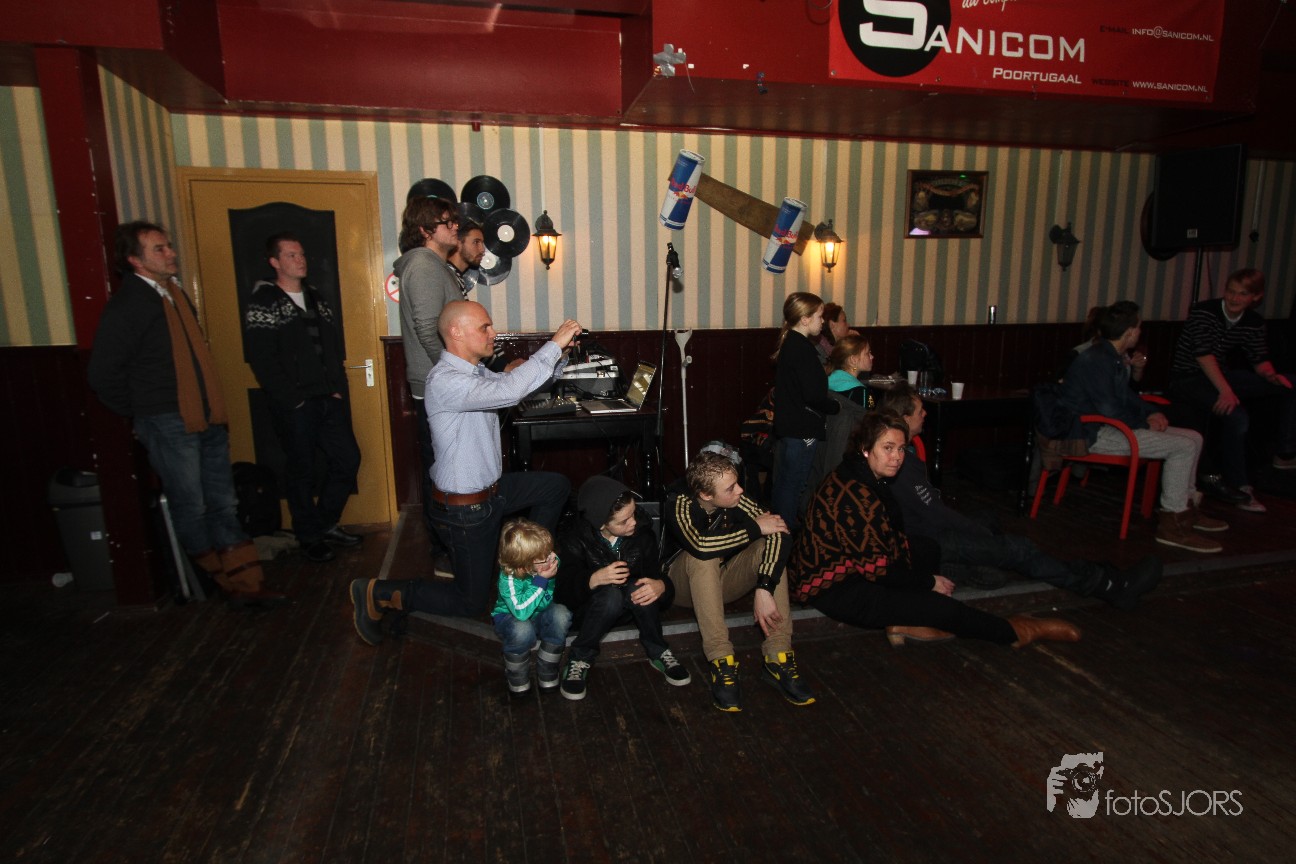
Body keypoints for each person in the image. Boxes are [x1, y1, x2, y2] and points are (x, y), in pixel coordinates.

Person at [350, 301, 580, 644]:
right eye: (484, 327)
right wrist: (553, 344)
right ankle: (378, 592)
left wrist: (559, 358)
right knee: (469, 602)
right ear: (456, 332)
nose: (493, 333)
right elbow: (510, 390)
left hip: (492, 492)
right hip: (465, 509)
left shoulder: (475, 373)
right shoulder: (446, 380)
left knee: (554, 486)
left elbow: (518, 386)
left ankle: (530, 559)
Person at [87, 221, 286, 607]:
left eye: (169, 246)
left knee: (223, 502)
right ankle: (217, 582)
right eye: (159, 249)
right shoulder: (129, 305)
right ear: (135, 260)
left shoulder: (174, 295)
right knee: (191, 506)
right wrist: (143, 413)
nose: (171, 253)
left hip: (206, 415)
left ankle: (247, 585)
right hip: (167, 421)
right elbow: (102, 375)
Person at [787, 411, 1082, 648]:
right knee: (944, 609)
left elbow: (886, 543)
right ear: (865, 449)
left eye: (901, 449)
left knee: (928, 548)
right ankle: (1016, 631)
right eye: (887, 448)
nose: (897, 457)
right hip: (834, 587)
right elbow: (879, 570)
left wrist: (922, 578)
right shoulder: (856, 495)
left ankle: (909, 620)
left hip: (857, 567)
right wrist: (928, 582)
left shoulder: (860, 473)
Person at [880, 383, 1162, 608]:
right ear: (904, 419)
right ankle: (1111, 586)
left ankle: (964, 568)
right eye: (920, 411)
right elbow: (936, 514)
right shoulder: (898, 462)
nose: (925, 414)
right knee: (1019, 548)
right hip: (928, 540)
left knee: (989, 520)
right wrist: (980, 534)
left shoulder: (905, 451)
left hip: (927, 531)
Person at [1061, 301, 1228, 553]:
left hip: (1108, 426)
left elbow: (1127, 397)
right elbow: (1109, 409)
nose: (1140, 331)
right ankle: (1171, 523)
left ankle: (1186, 509)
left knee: (1194, 437)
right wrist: (1144, 422)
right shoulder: (1097, 360)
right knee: (1182, 446)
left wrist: (1152, 412)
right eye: (1138, 327)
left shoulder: (1112, 356)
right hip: (1091, 434)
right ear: (1129, 332)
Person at [663, 451, 815, 712]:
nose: (740, 490)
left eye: (737, 483)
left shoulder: (736, 498)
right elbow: (699, 545)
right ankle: (721, 660)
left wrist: (764, 587)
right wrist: (754, 528)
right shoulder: (679, 501)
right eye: (731, 488)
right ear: (706, 495)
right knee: (703, 557)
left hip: (722, 580)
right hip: (681, 585)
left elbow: (780, 531)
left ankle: (777, 656)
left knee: (770, 548)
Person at [243, 233, 362, 563]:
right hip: (295, 403)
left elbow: (331, 348)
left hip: (328, 398)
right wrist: (292, 398)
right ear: (275, 262)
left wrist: (337, 390)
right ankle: (308, 536)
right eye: (291, 255)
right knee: (301, 470)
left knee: (347, 459)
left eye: (302, 254)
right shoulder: (265, 300)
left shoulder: (316, 298)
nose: (300, 260)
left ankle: (324, 523)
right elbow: (262, 358)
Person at [1166, 268, 1296, 512]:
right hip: (1189, 378)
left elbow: (1259, 359)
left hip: (1221, 376)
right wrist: (1226, 392)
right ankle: (1240, 485)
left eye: (1242, 294)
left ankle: (1285, 453)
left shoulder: (1253, 322)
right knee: (1237, 416)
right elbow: (1204, 357)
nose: (1234, 298)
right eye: (1231, 291)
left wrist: (1271, 376)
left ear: (1256, 297)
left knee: (1290, 383)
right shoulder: (1205, 312)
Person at [556, 476, 690, 700]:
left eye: (633, 513)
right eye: (624, 521)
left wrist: (661, 586)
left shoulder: (643, 534)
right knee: (610, 595)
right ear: (602, 524)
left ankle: (658, 651)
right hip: (591, 613)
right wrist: (593, 579)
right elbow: (562, 594)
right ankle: (579, 658)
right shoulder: (576, 539)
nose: (633, 523)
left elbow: (656, 578)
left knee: (641, 587)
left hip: (631, 609)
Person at [394, 196, 465, 568]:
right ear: (424, 230)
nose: (455, 227)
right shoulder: (423, 265)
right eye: (446, 222)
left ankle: (450, 544)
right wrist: (456, 373)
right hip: (439, 387)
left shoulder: (436, 265)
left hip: (442, 384)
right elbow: (427, 328)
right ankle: (443, 549)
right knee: (441, 470)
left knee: (444, 467)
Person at [771, 292, 838, 533]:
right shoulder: (801, 349)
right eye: (819, 316)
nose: (823, 321)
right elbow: (813, 395)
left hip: (792, 427)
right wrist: (835, 406)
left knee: (785, 485)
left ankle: (779, 532)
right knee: (793, 486)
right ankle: (785, 536)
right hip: (802, 429)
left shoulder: (792, 344)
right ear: (805, 319)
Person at [491, 518, 572, 695]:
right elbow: (521, 612)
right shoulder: (509, 578)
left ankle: (547, 667)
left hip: (540, 611)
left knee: (561, 614)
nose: (552, 557)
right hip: (510, 618)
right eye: (544, 557)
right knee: (522, 629)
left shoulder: (546, 562)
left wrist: (545, 568)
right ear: (525, 565)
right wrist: (541, 580)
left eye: (549, 551)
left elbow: (553, 561)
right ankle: (517, 673)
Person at [826, 333, 876, 408]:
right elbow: (869, 414)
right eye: (868, 353)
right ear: (853, 360)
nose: (872, 356)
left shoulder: (826, 381)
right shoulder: (861, 392)